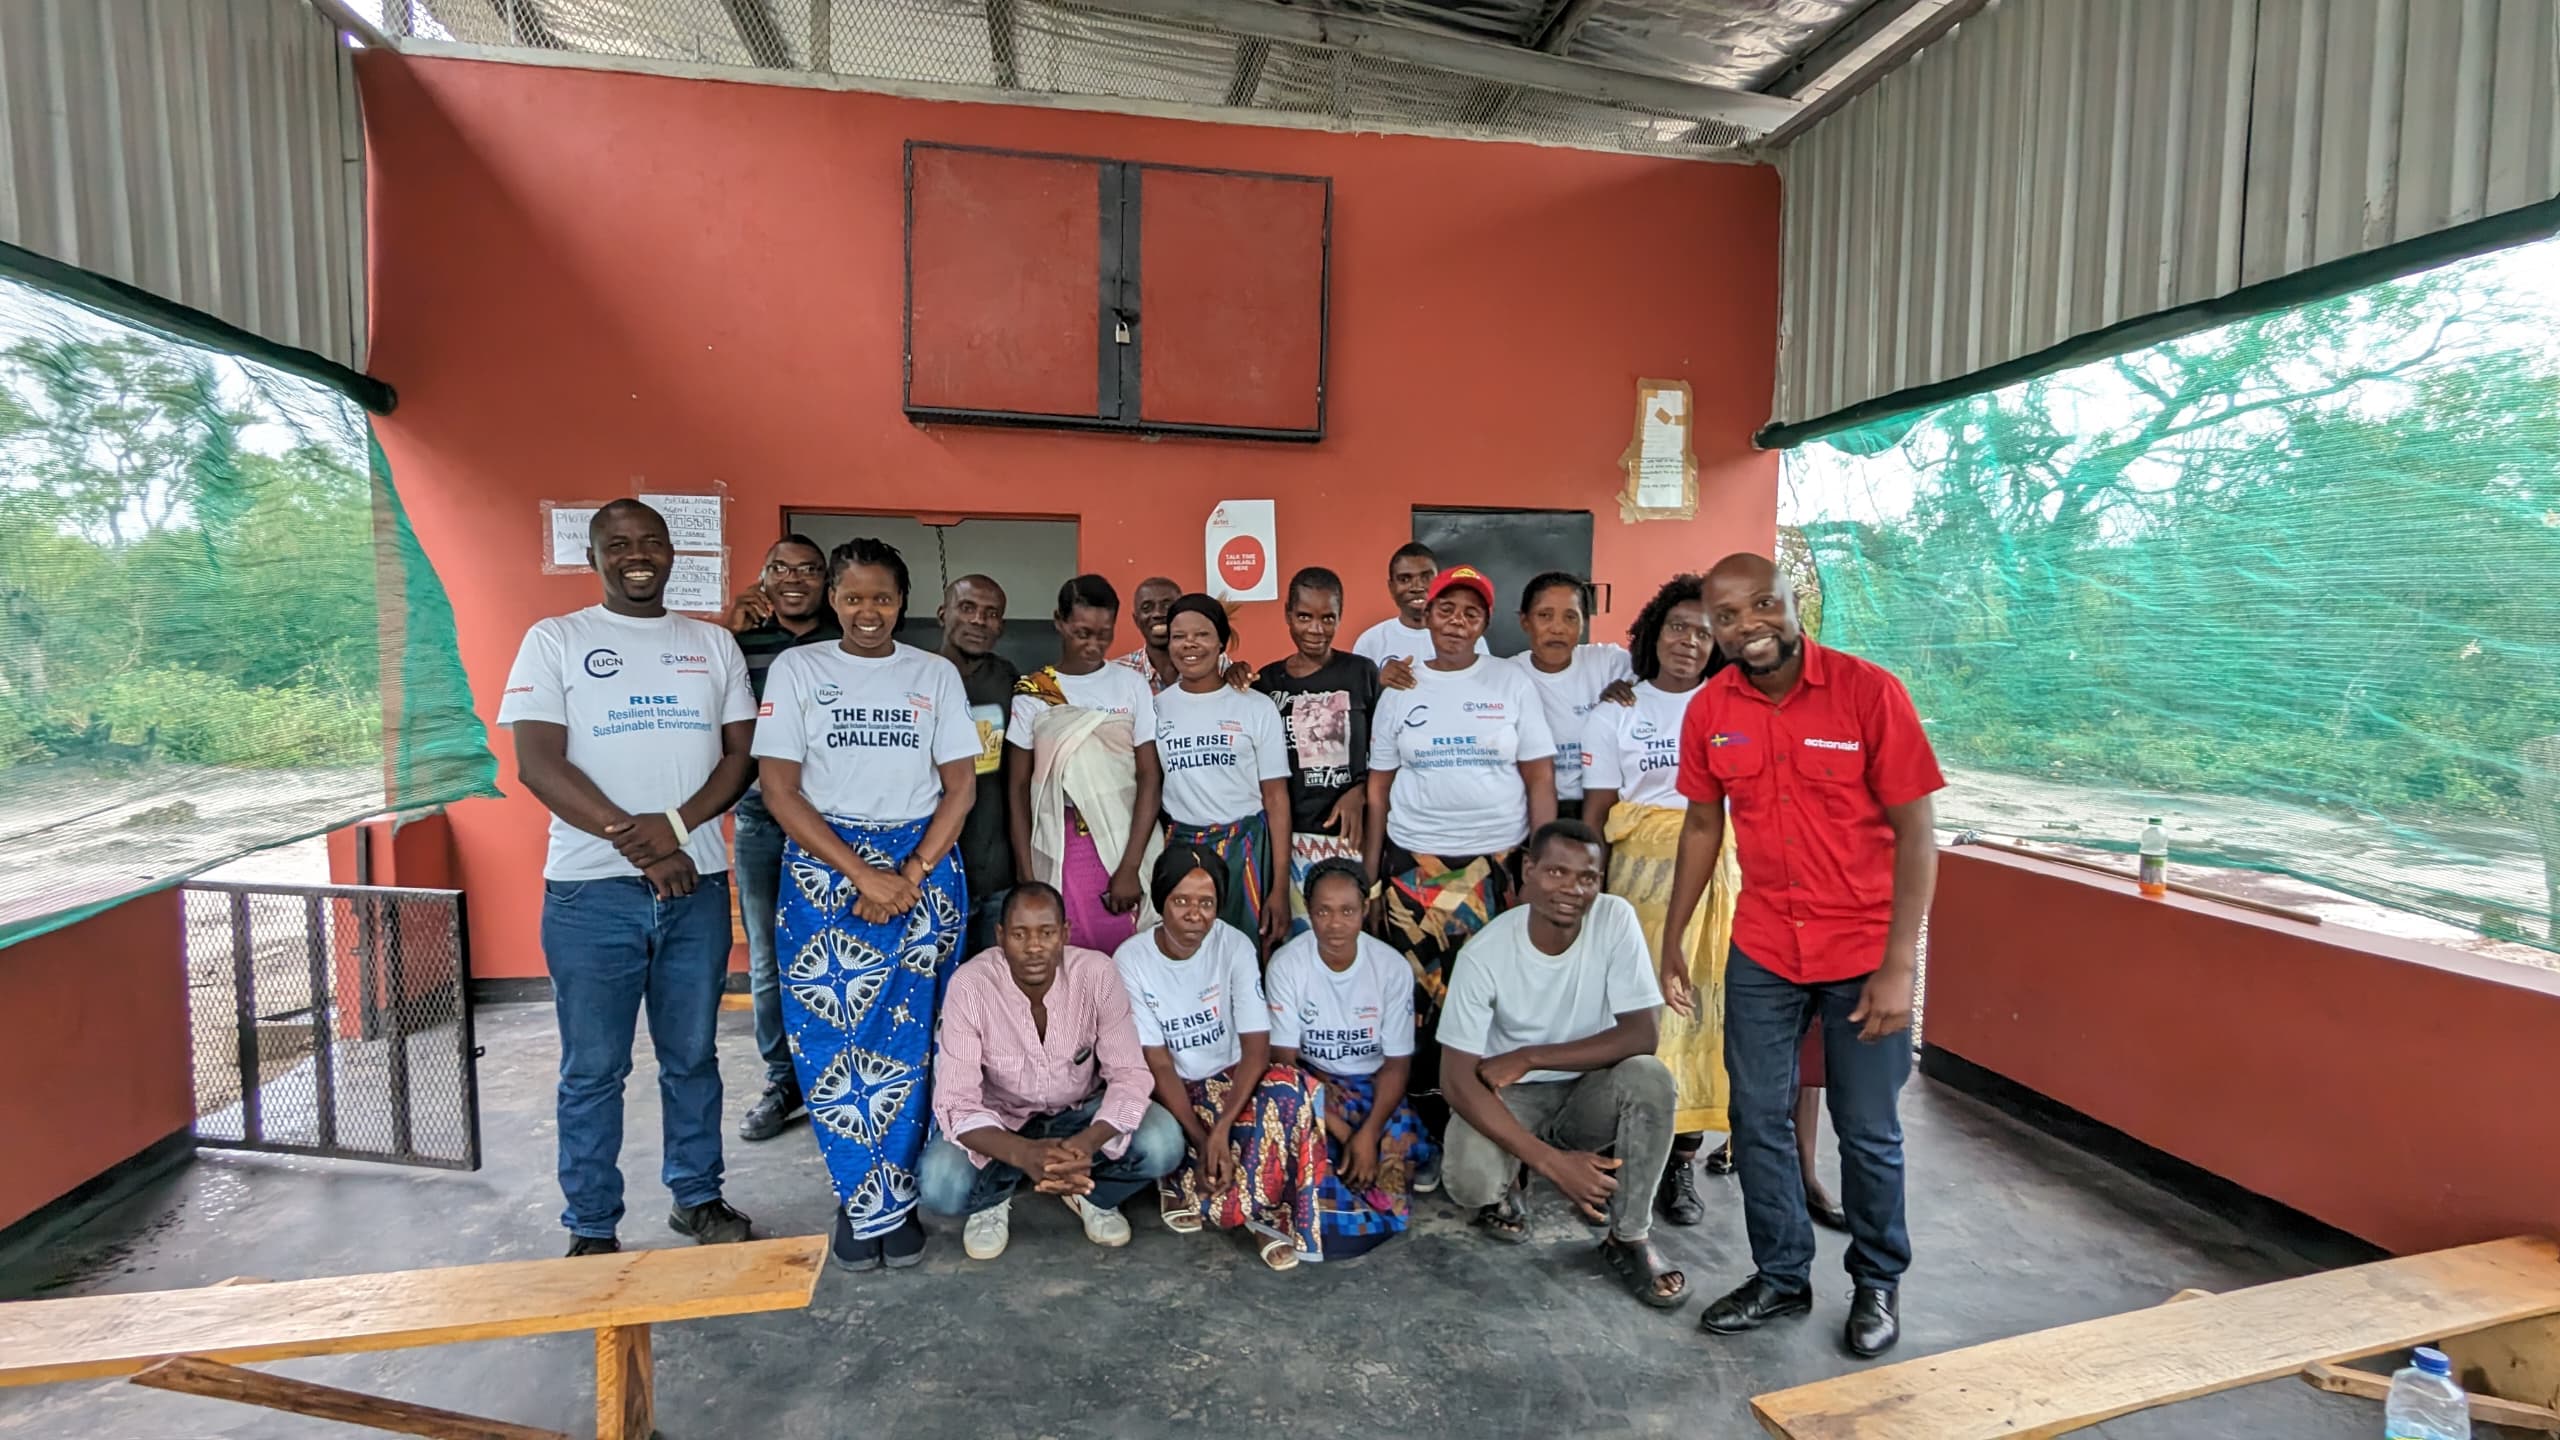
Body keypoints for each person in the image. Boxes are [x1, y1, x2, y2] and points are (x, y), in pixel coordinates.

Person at [1662, 552, 1941, 1359]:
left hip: (1862, 950)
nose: (1748, 626)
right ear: (1710, 629)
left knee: (1867, 1128)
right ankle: (1781, 1276)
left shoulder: (1868, 692)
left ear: (1794, 603)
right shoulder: (1712, 707)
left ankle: (1878, 1282)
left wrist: (1900, 965)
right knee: (1756, 1119)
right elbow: (1704, 827)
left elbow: (1919, 839)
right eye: (1726, 617)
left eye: (1763, 606)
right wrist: (1674, 935)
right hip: (1765, 947)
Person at [497, 499, 758, 1256]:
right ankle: (590, 1225)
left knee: (693, 1057)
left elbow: (740, 757)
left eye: (650, 542)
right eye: (618, 545)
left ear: (674, 553)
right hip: (589, 894)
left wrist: (675, 833)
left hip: (697, 886)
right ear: (595, 558)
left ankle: (697, 1197)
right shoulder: (555, 641)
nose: (636, 555)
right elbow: (537, 763)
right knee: (593, 1071)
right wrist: (641, 845)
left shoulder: (712, 646)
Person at [752, 537, 982, 1271]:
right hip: (827, 875)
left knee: (916, 1041)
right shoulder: (798, 669)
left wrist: (909, 872)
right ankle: (862, 1198)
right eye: (852, 597)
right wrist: (861, 874)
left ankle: (902, 1193)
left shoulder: (934, 674)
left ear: (903, 600)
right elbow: (780, 791)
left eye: (881, 597)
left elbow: (962, 786)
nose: (867, 612)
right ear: (832, 600)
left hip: (925, 869)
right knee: (835, 1043)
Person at [1438, 819, 1683, 1310]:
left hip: (1585, 1092)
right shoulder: (1485, 953)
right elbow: (1455, 1078)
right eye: (1555, 872)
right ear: (1528, 871)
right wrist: (1551, 1163)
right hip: (1515, 1097)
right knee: (1469, 1182)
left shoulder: (1614, 919)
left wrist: (1531, 1056)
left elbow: (1642, 1035)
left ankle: (1629, 1237)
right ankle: (1517, 1173)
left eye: (1586, 878)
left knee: (1650, 1079)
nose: (1571, 889)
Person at [1363, 563, 1557, 1149]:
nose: (1456, 620)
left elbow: (1540, 779)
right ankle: (1429, 1130)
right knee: (1419, 1006)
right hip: (1413, 871)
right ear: (1428, 614)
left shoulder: (1510, 684)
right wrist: (1371, 877)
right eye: (1447, 608)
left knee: (1489, 1001)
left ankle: (1489, 1130)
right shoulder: (1401, 686)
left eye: (1470, 612)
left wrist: (1538, 871)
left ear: (1484, 623)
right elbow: (1377, 787)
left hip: (1494, 870)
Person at [1580, 573, 1737, 1228]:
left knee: (1699, 1014)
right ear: (1651, 633)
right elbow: (1595, 815)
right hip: (1636, 887)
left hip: (1714, 884)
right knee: (1639, 1016)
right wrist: (1587, 900)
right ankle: (1627, 1152)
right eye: (1678, 626)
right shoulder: (1616, 710)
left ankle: (1680, 1161)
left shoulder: (1734, 708)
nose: (1690, 641)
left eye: (1705, 631)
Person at [920, 882, 1188, 1261]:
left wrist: (1088, 1142)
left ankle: (1087, 1191)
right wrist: (1023, 1153)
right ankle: (996, 1198)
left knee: (1164, 1144)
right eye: (1019, 934)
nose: (1033, 947)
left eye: (1046, 933)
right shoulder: (970, 986)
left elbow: (1130, 1075)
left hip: (1079, 1114)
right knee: (940, 1186)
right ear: (999, 936)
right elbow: (955, 1103)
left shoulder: (1096, 974)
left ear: (1065, 933)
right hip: (1002, 1123)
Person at [1115, 846, 1328, 1271]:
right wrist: (1201, 1135)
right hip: (1176, 1090)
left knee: (1291, 1088)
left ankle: (1263, 1214)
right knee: (1198, 1142)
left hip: (1234, 1080)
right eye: (1181, 901)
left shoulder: (1233, 945)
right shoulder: (1132, 959)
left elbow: (1255, 1047)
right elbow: (1157, 1063)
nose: (1195, 914)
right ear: (1161, 901)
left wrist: (1223, 1129)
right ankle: (1234, 1199)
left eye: (1206, 903)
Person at [725, 535, 844, 1144]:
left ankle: (834, 1068)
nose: (795, 578)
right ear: (764, 576)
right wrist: (727, 625)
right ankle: (782, 1078)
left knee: (839, 949)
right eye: (782, 568)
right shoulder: (737, 645)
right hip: (761, 820)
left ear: (827, 581)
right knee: (770, 957)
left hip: (835, 818)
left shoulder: (846, 643)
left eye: (810, 568)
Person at [1265, 858, 1431, 1259]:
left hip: (1374, 1086)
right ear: (1308, 909)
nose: (1335, 924)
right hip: (1313, 1084)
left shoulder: (1389, 967)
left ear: (1365, 911)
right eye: (1323, 911)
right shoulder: (1288, 965)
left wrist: (1369, 1133)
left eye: (1347, 911)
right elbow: (1284, 1068)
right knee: (1312, 1147)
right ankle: (1309, 1214)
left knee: (1388, 1162)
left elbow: (1396, 1065)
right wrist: (1344, 1132)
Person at [1008, 575, 1164, 956]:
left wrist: (1130, 866)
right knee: (1070, 955)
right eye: (1082, 633)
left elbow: (1148, 775)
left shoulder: (1131, 686)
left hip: (1127, 838)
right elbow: (1017, 788)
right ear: (1059, 622)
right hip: (1061, 846)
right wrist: (1027, 875)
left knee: (1130, 954)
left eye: (1104, 634)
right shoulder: (1034, 692)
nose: (1094, 645)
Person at [1154, 593, 1293, 945]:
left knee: (1246, 950)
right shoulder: (1155, 709)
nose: (1190, 645)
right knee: (1188, 951)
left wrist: (1279, 888)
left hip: (1244, 849)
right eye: (1179, 636)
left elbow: (1276, 799)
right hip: (1181, 851)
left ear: (1222, 642)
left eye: (1201, 635)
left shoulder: (1255, 707)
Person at [1252, 567, 1380, 938]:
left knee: (1347, 945)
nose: (1316, 629)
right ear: (1288, 614)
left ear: (1340, 616)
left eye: (1328, 618)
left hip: (1350, 840)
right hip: (1288, 841)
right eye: (1304, 616)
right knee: (1295, 948)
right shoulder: (1267, 682)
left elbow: (1390, 750)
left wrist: (1360, 789)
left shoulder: (1361, 672)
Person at [939, 574, 1019, 956]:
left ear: (1000, 626)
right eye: (967, 608)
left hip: (994, 873)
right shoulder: (917, 676)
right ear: (943, 613)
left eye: (991, 614)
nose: (978, 621)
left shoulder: (1011, 683)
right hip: (930, 872)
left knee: (991, 993)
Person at [1510, 572, 1635, 814]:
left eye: (1570, 617)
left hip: (1604, 804)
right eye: (1544, 616)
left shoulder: (1610, 663)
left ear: (1583, 624)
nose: (1558, 628)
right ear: (1525, 621)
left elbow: (1660, 684)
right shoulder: (1508, 675)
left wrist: (1633, 688)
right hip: (1531, 808)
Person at [1350, 541, 1490, 666]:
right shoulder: (1371, 641)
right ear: (1391, 588)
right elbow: (1361, 692)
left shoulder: (1466, 637)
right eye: (1405, 579)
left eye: (1426, 577)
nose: (1417, 587)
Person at [1111, 576, 1184, 693]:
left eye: (1167, 606)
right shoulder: (1116, 674)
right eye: (1146, 608)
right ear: (1136, 620)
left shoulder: (1213, 665)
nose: (1157, 614)